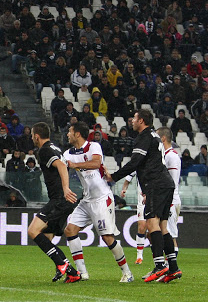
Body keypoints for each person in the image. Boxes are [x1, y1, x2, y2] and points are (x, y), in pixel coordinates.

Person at [107, 110, 180, 283]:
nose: (132, 120)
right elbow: (150, 163)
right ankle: (173, 268)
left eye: (135, 118)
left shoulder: (144, 137)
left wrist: (114, 177)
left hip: (156, 184)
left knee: (151, 223)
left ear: (142, 121)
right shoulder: (154, 136)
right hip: (165, 184)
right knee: (163, 226)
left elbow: (135, 163)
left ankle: (160, 265)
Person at [62, 122, 133, 283]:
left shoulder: (93, 146)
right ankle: (82, 273)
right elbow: (61, 166)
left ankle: (127, 273)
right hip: (87, 200)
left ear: (77, 134)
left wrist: (75, 165)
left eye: (70, 131)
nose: (68, 134)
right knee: (70, 230)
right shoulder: (68, 153)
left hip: (102, 198)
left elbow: (96, 163)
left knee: (107, 237)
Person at [26, 122, 81, 283]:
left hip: (60, 200)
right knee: (46, 237)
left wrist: (65, 188)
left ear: (37, 136)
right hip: (62, 201)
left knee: (33, 230)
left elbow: (62, 166)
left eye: (32, 136)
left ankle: (62, 264)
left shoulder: (44, 150)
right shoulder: (55, 148)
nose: (32, 138)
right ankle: (71, 272)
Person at [157, 127, 182, 274]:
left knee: (169, 234)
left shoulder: (171, 156)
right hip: (168, 198)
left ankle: (171, 268)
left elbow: (172, 181)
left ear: (163, 139)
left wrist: (167, 199)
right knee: (164, 232)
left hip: (171, 198)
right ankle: (167, 267)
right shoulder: (166, 155)